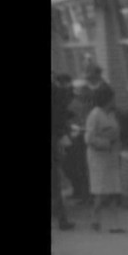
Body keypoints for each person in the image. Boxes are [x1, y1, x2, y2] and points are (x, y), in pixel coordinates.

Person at [85, 84, 125, 233]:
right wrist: (106, 143)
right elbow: (89, 138)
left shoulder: (112, 114)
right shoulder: (95, 115)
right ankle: (95, 216)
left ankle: (115, 223)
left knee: (114, 189)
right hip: (99, 157)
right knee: (101, 191)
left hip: (112, 156)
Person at [52, 75, 74, 230]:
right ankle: (62, 219)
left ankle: (61, 217)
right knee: (54, 181)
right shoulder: (56, 91)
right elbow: (61, 113)